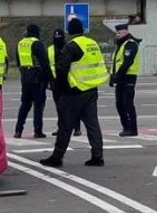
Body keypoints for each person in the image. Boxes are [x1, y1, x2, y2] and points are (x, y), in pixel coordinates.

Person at [40, 18, 108, 168]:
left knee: (65, 126)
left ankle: (57, 157)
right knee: (92, 125)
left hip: (74, 92)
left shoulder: (70, 47)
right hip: (91, 89)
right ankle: (97, 156)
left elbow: (62, 70)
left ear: (69, 31)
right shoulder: (92, 44)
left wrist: (60, 89)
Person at [14, 24, 50, 139]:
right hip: (37, 77)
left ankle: (18, 130)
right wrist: (48, 79)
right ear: (36, 32)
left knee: (25, 104)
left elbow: (19, 62)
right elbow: (44, 62)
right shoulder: (37, 43)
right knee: (38, 105)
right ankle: (38, 130)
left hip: (25, 76)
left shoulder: (20, 43)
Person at [47, 28, 81, 137]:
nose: (57, 39)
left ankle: (76, 128)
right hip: (56, 82)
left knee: (73, 106)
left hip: (69, 81)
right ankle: (62, 128)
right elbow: (48, 66)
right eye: (55, 37)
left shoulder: (69, 47)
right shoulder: (50, 49)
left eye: (59, 37)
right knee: (60, 107)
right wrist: (49, 81)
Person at [111, 23, 142, 137]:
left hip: (128, 77)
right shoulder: (121, 44)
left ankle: (132, 129)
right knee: (120, 104)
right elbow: (116, 62)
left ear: (126, 32)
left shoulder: (130, 44)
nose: (117, 35)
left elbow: (127, 62)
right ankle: (125, 127)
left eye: (119, 33)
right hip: (120, 77)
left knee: (127, 103)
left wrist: (117, 75)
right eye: (116, 33)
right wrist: (112, 77)